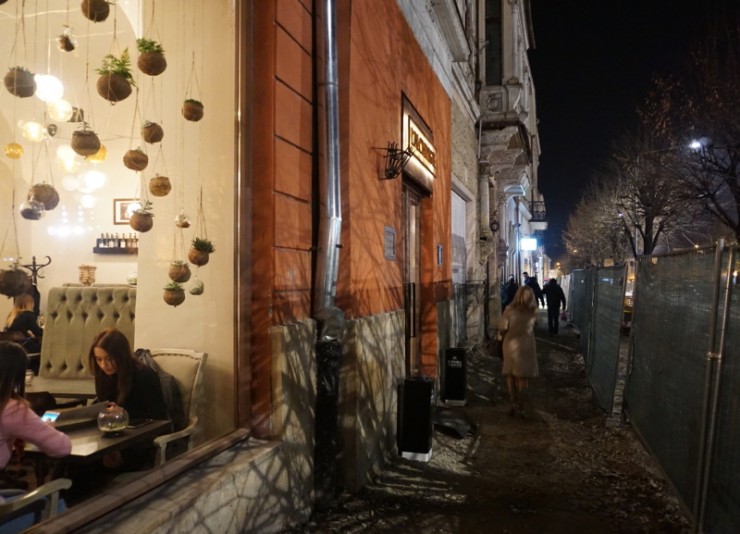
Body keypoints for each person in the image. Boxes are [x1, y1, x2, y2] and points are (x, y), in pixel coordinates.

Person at [0, 341, 71, 533]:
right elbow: (62, 447)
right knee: (57, 505)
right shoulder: (11, 407)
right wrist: (45, 429)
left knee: (21, 494)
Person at [88, 328, 169, 469]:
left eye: (109, 359)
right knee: (71, 461)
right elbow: (104, 405)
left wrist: (123, 413)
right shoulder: (104, 376)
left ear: (121, 356)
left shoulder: (144, 376)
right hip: (112, 436)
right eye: (98, 359)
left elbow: (157, 417)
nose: (103, 365)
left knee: (87, 466)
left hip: (140, 440)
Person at [498, 286, 538, 418]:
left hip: (510, 345)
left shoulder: (509, 310)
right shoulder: (533, 311)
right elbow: (535, 326)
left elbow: (503, 328)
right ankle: (522, 407)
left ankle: (513, 404)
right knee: (522, 377)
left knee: (510, 375)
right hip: (527, 345)